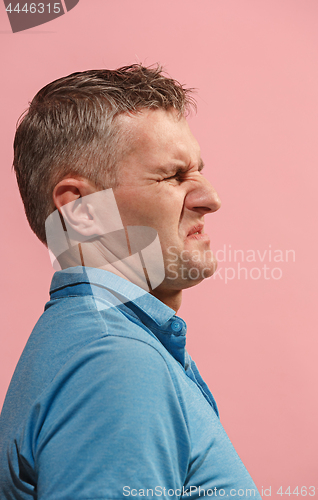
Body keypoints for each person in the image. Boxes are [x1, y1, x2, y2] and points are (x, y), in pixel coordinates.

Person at [0, 64, 261, 499]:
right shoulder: (113, 363)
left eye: (197, 171)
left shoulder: (96, 346)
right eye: (174, 176)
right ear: (81, 212)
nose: (210, 198)